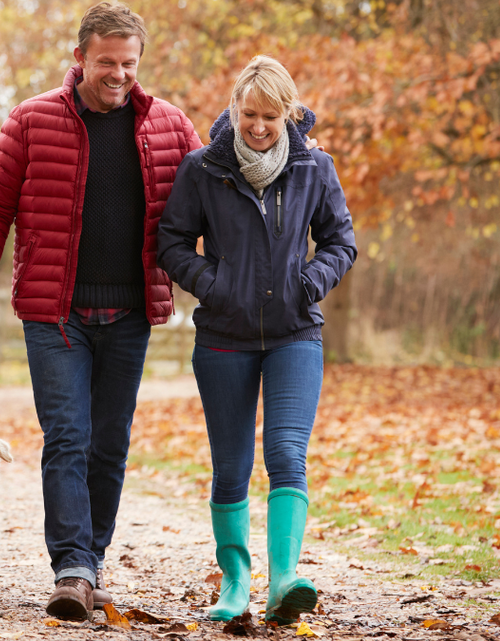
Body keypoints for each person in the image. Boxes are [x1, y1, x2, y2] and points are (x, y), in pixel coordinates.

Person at [0, 2, 201, 621]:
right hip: (54, 314)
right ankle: (71, 566)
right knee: (67, 436)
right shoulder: (31, 121)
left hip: (131, 316)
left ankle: (89, 561)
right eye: (106, 62)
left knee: (109, 444)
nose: (118, 74)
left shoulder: (169, 127)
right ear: (80, 57)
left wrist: (293, 142)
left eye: (129, 64)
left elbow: (216, 190)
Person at [156, 55, 357, 624]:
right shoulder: (203, 169)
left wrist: (308, 282)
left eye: (271, 116)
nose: (259, 126)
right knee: (231, 465)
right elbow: (171, 244)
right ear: (235, 110)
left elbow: (341, 242)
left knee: (288, 454)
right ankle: (237, 581)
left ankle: (285, 578)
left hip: (296, 333)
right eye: (249, 114)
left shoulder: (315, 168)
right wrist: (213, 286)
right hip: (224, 337)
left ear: (289, 113)